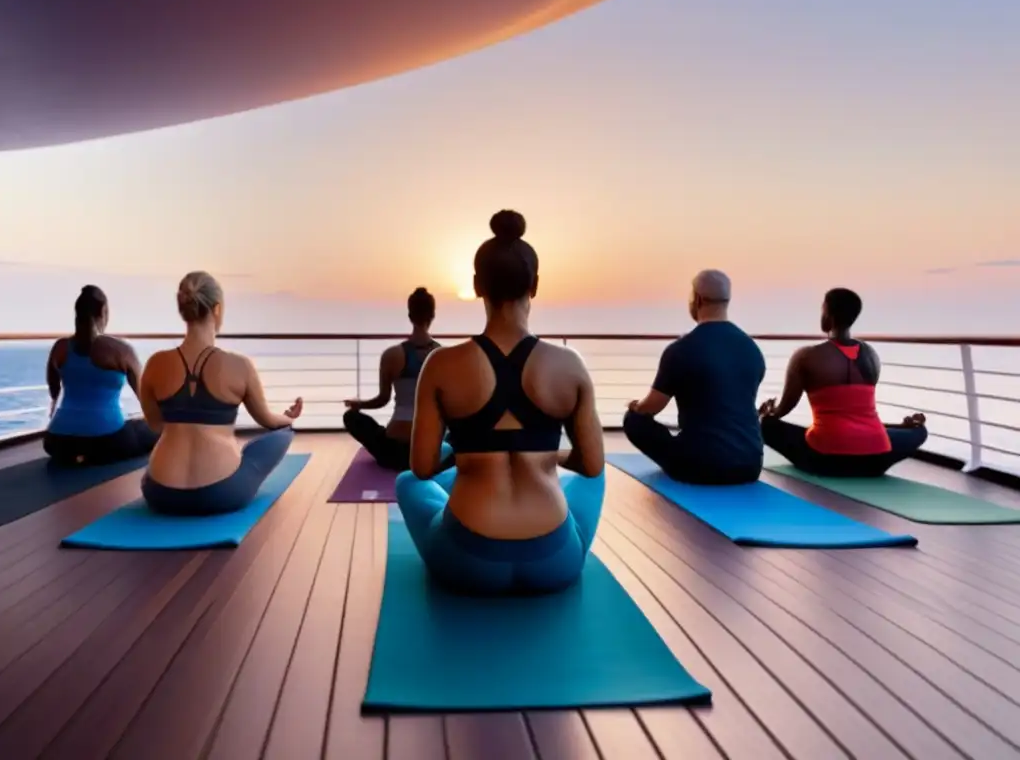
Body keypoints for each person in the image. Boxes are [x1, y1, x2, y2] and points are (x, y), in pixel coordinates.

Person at [395, 210, 605, 595]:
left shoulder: (441, 364)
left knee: (407, 482)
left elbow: (422, 468)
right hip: (553, 561)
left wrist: (465, 457)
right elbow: (591, 466)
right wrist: (546, 457)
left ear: (477, 285)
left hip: (467, 560)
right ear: (535, 285)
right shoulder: (569, 364)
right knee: (599, 474)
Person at [138, 271, 303, 515]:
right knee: (283, 434)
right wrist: (289, 418)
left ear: (182, 308)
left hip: (160, 492)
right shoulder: (239, 365)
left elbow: (155, 424)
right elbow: (268, 420)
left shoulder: (155, 364)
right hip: (221, 492)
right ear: (216, 309)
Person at [759, 287, 927, 477]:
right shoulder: (871, 355)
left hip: (826, 459)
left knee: (767, 425)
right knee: (919, 431)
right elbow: (857, 416)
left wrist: (768, 413)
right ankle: (905, 431)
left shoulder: (805, 356)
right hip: (876, 459)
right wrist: (903, 427)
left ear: (828, 315)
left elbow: (784, 409)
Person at [623, 270, 766, 485]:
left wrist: (636, 407)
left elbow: (652, 407)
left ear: (697, 299)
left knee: (633, 420)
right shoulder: (751, 349)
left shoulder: (681, 350)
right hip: (750, 465)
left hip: (700, 467)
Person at [43, 285, 159, 465]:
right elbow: (145, 397)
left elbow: (53, 391)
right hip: (107, 441)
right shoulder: (121, 350)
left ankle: (80, 456)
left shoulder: (60, 347)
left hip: (57, 442)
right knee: (152, 430)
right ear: (104, 312)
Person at [343, 287, 444, 471]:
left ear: (409, 315)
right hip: (430, 454)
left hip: (394, 451)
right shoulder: (443, 356)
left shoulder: (392, 355)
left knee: (351, 417)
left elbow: (382, 400)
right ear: (433, 315)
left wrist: (358, 405)